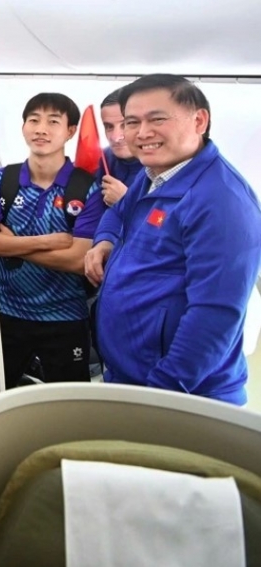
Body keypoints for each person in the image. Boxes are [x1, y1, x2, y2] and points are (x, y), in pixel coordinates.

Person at [85, 74, 261, 405]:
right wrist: (105, 241)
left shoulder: (221, 201)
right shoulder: (154, 175)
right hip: (130, 375)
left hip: (181, 393)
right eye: (132, 122)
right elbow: (120, 212)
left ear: (199, 120)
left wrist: (162, 395)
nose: (141, 133)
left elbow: (214, 316)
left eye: (157, 119)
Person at [0, 93, 105, 387]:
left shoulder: (88, 186)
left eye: (53, 121)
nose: (40, 129)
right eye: (33, 120)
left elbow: (76, 260)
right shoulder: (0, 180)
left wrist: (11, 245)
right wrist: (48, 241)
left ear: (71, 131)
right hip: (5, 312)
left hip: (65, 316)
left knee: (68, 406)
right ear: (23, 127)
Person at [97, 86, 145, 206]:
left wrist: (126, 201)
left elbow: (174, 222)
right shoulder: (100, 160)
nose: (115, 137)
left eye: (125, 125)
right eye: (109, 126)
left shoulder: (167, 167)